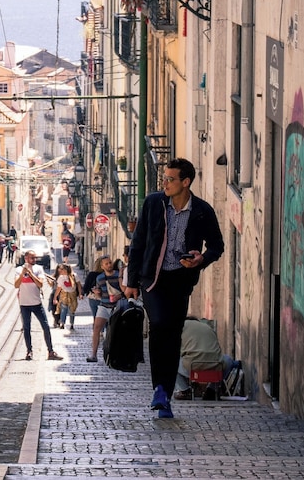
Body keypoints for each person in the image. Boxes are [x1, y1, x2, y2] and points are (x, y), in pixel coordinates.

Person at [124, 158, 225, 419]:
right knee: (158, 326)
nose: (165, 183)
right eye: (164, 178)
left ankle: (165, 395)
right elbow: (138, 243)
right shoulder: (153, 204)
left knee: (172, 334)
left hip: (181, 281)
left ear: (185, 182)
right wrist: (131, 282)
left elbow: (217, 246)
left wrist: (201, 259)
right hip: (153, 280)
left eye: (170, 179)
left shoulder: (202, 211)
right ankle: (159, 388)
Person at [13, 250, 63, 361]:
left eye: (35, 257)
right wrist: (22, 274)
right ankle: (29, 351)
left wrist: (30, 274)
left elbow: (40, 284)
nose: (34, 260)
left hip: (37, 303)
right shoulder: (18, 270)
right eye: (32, 258)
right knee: (26, 328)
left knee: (45, 326)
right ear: (26, 258)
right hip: (24, 303)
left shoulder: (38, 269)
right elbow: (16, 285)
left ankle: (50, 351)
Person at [174, 316, 238, 400]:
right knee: (228, 360)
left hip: (193, 367)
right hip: (215, 366)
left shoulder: (180, 327)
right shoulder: (207, 327)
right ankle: (212, 389)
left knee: (169, 362)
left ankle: (184, 391)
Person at [88, 255, 122, 363]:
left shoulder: (118, 276)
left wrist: (119, 296)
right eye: (106, 264)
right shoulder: (100, 278)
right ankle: (93, 354)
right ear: (102, 266)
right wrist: (97, 293)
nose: (109, 265)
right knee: (96, 328)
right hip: (104, 306)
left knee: (116, 332)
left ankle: (116, 355)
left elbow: (125, 291)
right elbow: (99, 295)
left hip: (117, 307)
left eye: (110, 262)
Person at [52, 263, 80, 330]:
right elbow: (59, 288)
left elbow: (79, 285)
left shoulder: (74, 276)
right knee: (63, 309)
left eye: (61, 269)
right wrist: (55, 297)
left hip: (72, 295)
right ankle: (62, 323)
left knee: (72, 310)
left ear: (65, 270)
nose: (60, 270)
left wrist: (80, 293)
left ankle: (72, 323)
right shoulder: (61, 278)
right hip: (64, 295)